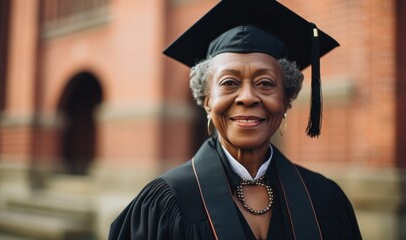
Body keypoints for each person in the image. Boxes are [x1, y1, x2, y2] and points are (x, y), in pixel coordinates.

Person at [109, 0, 362, 239]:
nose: (248, 97)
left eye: (265, 83)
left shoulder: (325, 199)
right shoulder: (164, 204)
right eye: (229, 83)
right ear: (207, 100)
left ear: (286, 100)